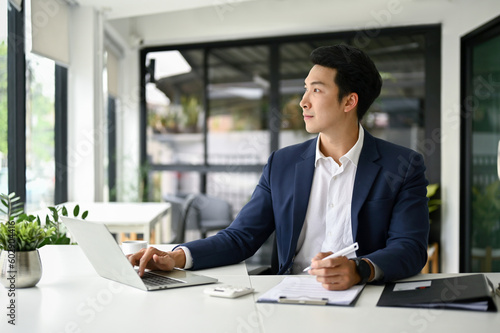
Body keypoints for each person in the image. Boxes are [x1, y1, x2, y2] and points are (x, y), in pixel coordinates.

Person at [128, 44, 430, 291]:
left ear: (349, 101)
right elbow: (241, 237)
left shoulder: (401, 166)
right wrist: (176, 257)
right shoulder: (282, 164)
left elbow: (410, 248)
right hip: (288, 293)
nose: (303, 102)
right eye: (305, 89)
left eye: (317, 90)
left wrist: (359, 269)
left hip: (364, 296)